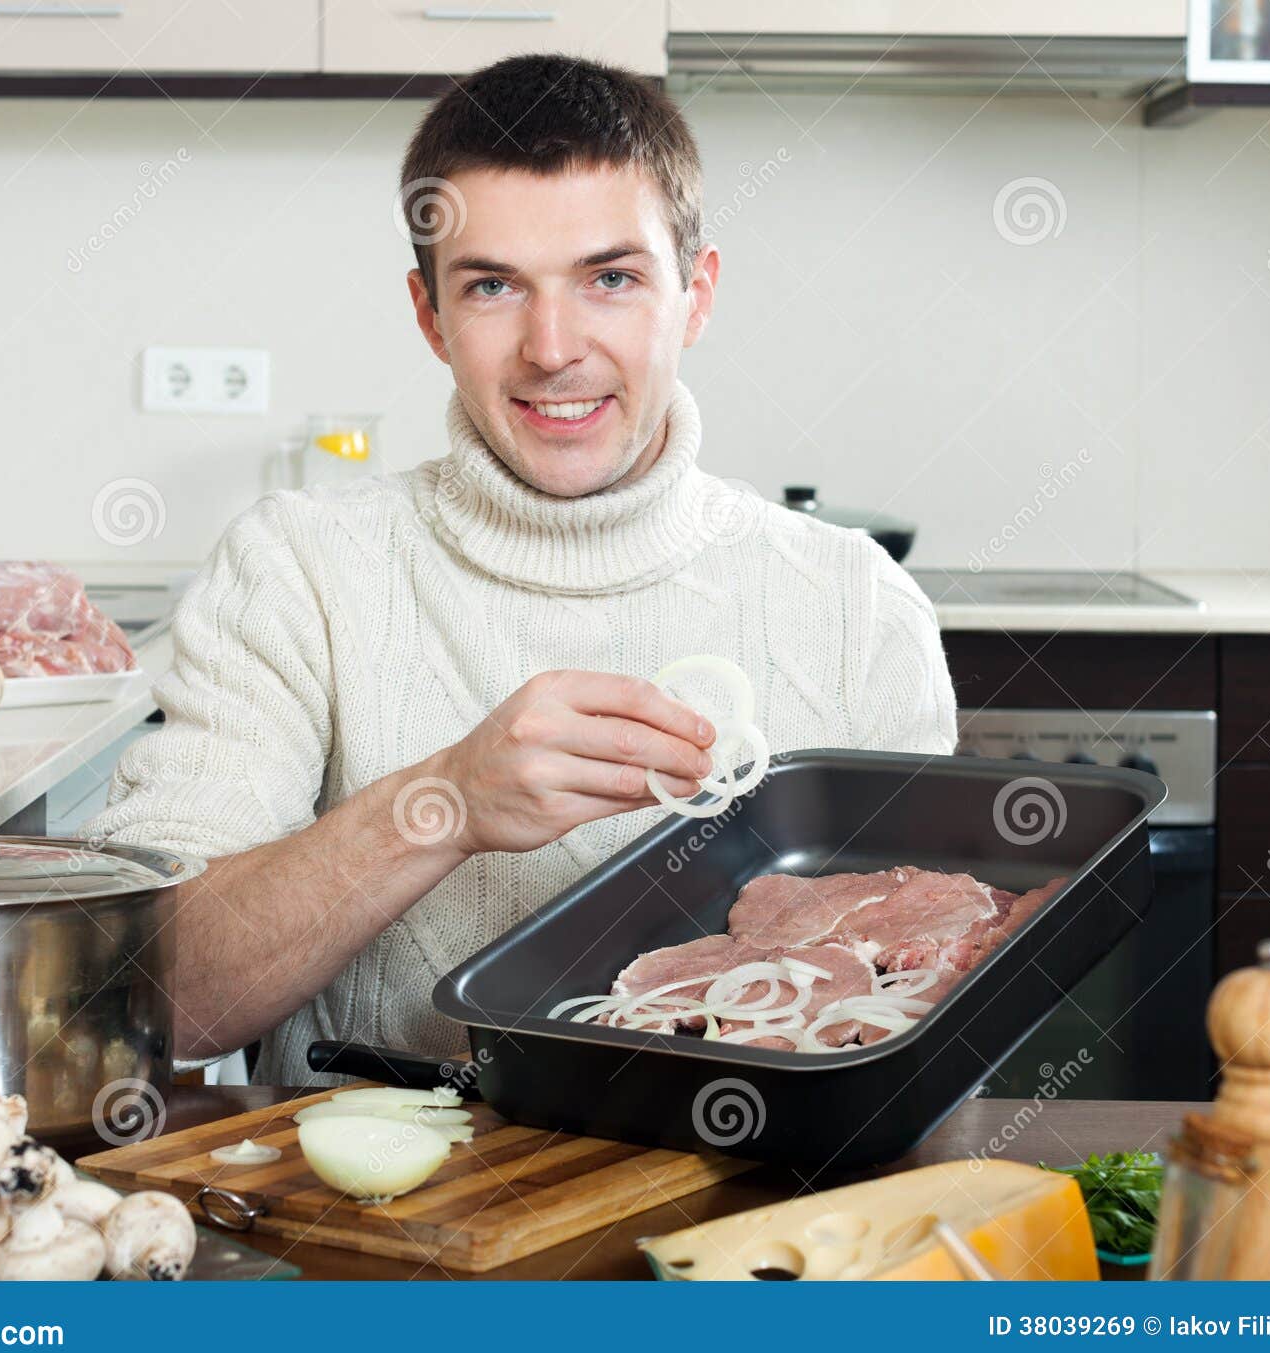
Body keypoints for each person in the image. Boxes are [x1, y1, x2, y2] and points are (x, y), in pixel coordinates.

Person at [84, 53, 956, 1083]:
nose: (553, 347)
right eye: (493, 286)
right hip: (381, 1215)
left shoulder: (854, 604)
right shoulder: (296, 572)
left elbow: (927, 1004)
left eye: (612, 279)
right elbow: (155, 998)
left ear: (696, 295)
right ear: (430, 316)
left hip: (740, 1210)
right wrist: (441, 804)